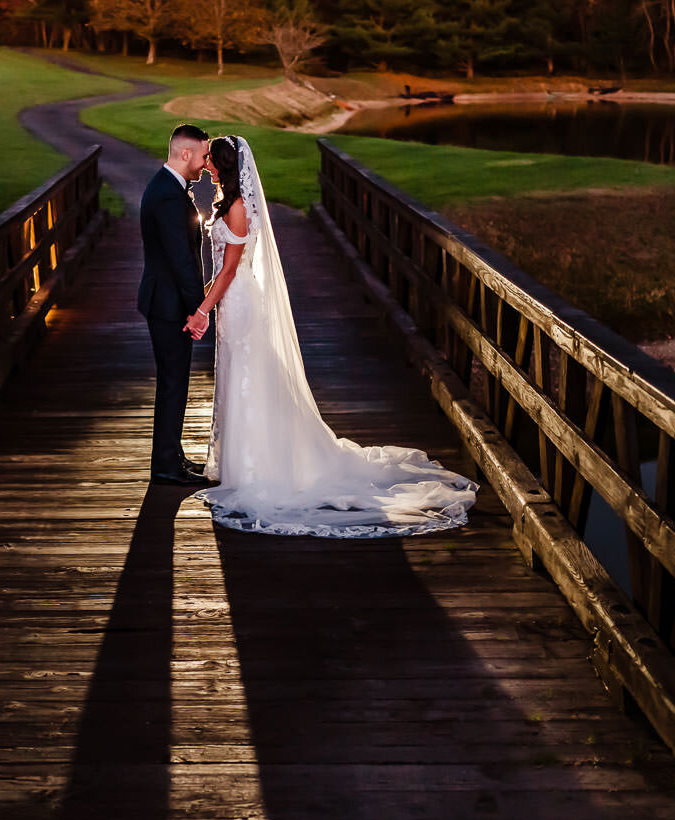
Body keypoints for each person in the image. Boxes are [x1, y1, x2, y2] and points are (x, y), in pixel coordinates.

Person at [185, 134, 478, 538]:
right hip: (232, 302)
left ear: (224, 166)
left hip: (238, 301)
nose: (208, 166)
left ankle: (255, 469)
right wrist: (208, 303)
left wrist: (202, 309)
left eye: (212, 162)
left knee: (246, 378)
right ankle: (241, 461)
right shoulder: (231, 203)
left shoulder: (237, 208)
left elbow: (230, 270)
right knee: (240, 378)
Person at [137, 123, 214, 486]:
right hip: (168, 305)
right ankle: (166, 465)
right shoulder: (168, 195)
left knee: (175, 382)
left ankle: (173, 457)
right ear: (186, 154)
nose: (204, 163)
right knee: (172, 383)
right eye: (202, 155)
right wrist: (199, 310)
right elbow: (181, 259)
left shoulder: (168, 188)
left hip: (166, 302)